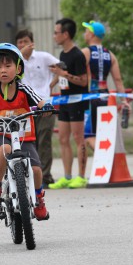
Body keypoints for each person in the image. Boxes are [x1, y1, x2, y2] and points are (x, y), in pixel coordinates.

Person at [0, 43, 51, 220]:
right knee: (5, 149)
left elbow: (39, 101)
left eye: (8, 66)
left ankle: (39, 199)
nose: (3, 70)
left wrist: (46, 107)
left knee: (36, 169)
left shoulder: (24, 89)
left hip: (24, 136)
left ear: (18, 68)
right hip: (0, 135)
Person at [48, 18, 89, 190]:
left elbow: (83, 81)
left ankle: (81, 176)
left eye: (56, 32)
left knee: (78, 138)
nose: (54, 36)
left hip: (77, 100)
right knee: (63, 138)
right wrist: (50, 85)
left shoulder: (77, 55)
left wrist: (63, 74)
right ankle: (67, 176)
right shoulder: (63, 54)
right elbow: (61, 74)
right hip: (64, 100)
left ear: (65, 34)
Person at [15, 29, 59, 186]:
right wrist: (20, 54)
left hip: (44, 104)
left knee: (44, 138)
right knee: (28, 142)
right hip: (25, 107)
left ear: (32, 43)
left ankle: (45, 176)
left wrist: (51, 84)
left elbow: (61, 67)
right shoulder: (16, 61)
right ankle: (30, 176)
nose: (23, 45)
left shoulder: (43, 56)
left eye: (25, 41)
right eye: (19, 42)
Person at [81, 21, 130, 149]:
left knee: (88, 137)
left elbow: (78, 76)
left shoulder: (85, 52)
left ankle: (104, 157)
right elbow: (118, 80)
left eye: (86, 31)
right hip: (106, 97)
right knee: (103, 135)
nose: (84, 34)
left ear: (92, 34)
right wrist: (124, 101)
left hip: (90, 98)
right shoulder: (110, 54)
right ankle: (105, 158)